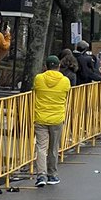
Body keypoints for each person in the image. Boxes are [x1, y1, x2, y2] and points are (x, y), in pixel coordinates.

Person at [32, 56, 71, 187]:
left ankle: (41, 175)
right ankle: (52, 174)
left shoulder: (39, 78)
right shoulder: (65, 81)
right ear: (59, 66)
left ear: (46, 66)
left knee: (41, 147)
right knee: (53, 147)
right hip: (57, 118)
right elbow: (66, 95)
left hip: (41, 117)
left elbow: (35, 90)